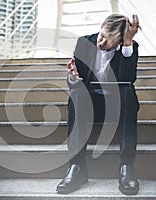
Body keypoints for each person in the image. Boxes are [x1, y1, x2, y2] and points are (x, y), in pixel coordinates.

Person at [56, 14, 140, 195]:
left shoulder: (129, 47)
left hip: (118, 107)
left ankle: (126, 167)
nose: (101, 43)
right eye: (101, 36)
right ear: (100, 27)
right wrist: (73, 78)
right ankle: (76, 168)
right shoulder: (84, 43)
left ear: (119, 41)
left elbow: (128, 79)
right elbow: (75, 81)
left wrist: (127, 45)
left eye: (109, 41)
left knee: (127, 91)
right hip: (90, 105)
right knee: (77, 94)